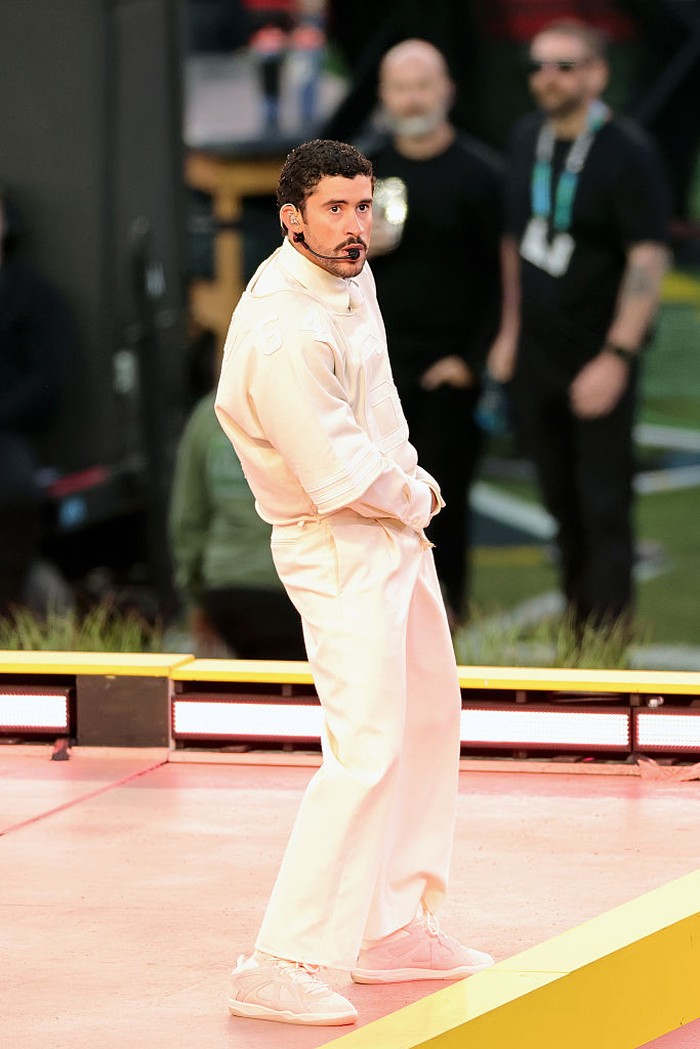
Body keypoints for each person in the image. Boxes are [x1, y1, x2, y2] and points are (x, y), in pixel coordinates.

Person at [215, 139, 493, 1027]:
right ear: (291, 214)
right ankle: (280, 957)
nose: (354, 226)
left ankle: (392, 926)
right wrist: (418, 493)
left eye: (363, 206)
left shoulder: (349, 277)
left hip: (390, 533)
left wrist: (408, 496)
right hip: (338, 540)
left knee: (425, 718)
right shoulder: (282, 328)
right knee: (365, 747)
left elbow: (379, 413)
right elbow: (338, 468)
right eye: (335, 208)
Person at [488, 20, 671, 633]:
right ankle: (577, 638)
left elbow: (648, 256)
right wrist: (510, 334)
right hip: (536, 353)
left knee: (604, 506)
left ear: (597, 74)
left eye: (565, 66)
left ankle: (610, 654)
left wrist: (617, 356)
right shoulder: (524, 140)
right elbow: (514, 241)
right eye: (539, 66)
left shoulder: (628, 152)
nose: (549, 78)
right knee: (560, 506)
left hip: (597, 354)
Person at [365, 39, 503, 626]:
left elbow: (505, 277)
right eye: (402, 85)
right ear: (384, 96)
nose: (413, 97)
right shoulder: (358, 172)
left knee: (445, 504)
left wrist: (472, 361)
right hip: (374, 376)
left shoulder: (483, 174)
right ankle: (380, 622)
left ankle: (448, 623)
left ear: (447, 91)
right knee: (371, 505)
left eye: (424, 84)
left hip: (448, 371)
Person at [168, 389, 306, 659]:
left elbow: (188, 520)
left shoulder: (208, 415)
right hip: (294, 587)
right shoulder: (305, 402)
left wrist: (196, 600)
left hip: (227, 590)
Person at [0, 187, 74, 617]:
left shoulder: (32, 296)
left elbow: (47, 382)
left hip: (8, 434)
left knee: (12, 491)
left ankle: (10, 604)